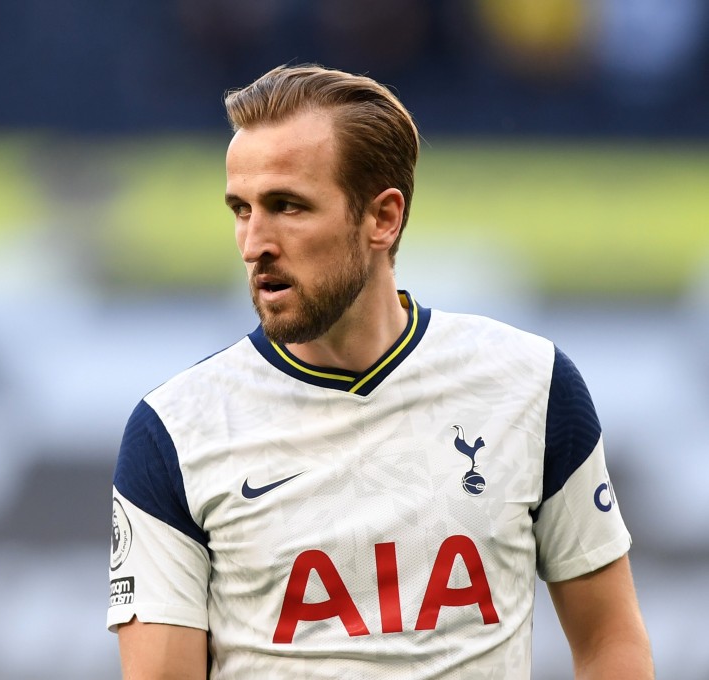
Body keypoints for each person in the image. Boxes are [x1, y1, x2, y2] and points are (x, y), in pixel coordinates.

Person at [107, 64, 653, 679]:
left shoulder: (532, 384)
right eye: (242, 209)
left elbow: (611, 641)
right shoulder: (175, 430)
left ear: (382, 219)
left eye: (287, 206)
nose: (254, 242)